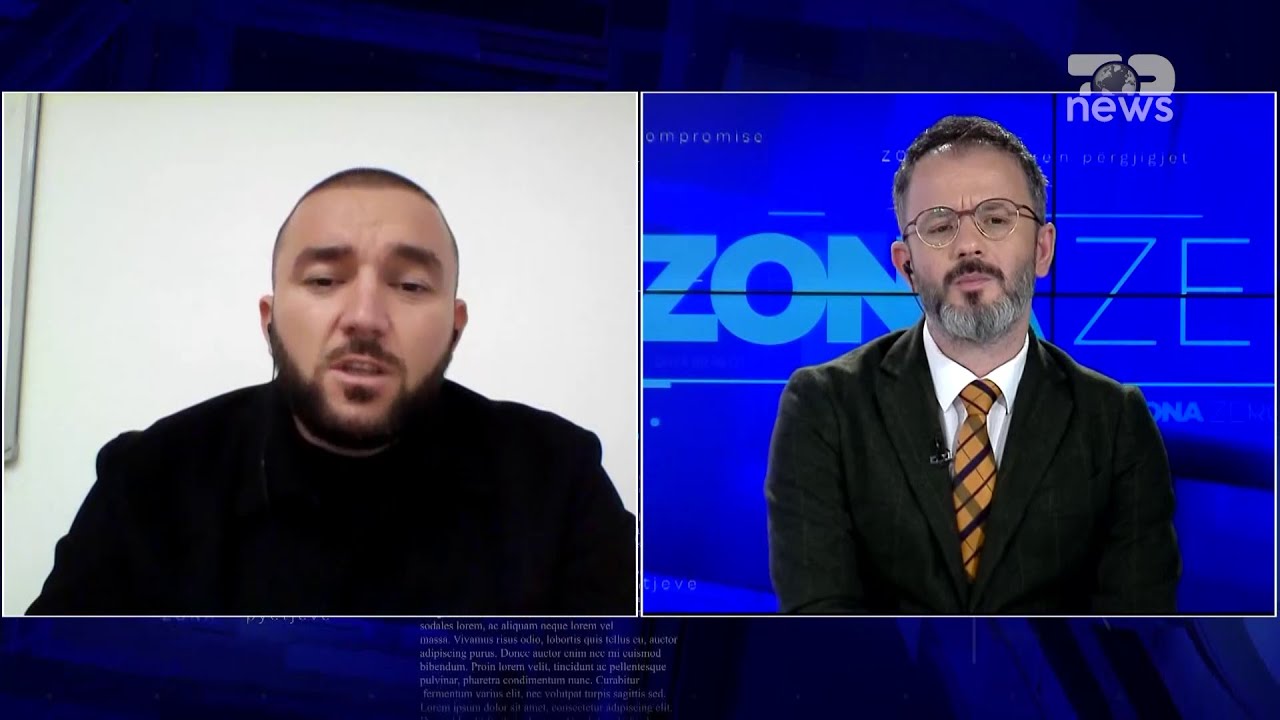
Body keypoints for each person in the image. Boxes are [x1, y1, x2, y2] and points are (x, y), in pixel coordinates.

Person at [28, 167, 636, 616]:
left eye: (410, 285)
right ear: (269, 318)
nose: (365, 317)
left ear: (455, 327)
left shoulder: (559, 483)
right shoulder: (151, 482)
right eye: (323, 280)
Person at [764, 116, 1180, 615]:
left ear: (1043, 249)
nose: (968, 246)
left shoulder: (1115, 421)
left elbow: (1136, 625)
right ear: (906, 265)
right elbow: (819, 618)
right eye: (940, 227)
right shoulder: (825, 407)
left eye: (997, 219)